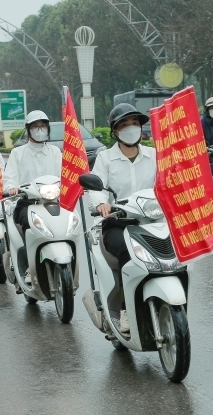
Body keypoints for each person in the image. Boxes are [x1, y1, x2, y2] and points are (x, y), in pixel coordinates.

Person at [89, 103, 157, 333]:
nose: (131, 128)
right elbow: (95, 186)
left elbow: (168, 184)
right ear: (115, 131)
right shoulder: (105, 158)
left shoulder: (154, 156)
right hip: (118, 224)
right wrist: (101, 203)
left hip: (152, 222)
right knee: (131, 254)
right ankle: (127, 309)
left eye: (135, 124)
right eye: (124, 125)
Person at [3, 111, 62, 284]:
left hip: (53, 201)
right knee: (31, 227)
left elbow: (64, 176)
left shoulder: (55, 152)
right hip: (28, 203)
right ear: (28, 130)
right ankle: (30, 266)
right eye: (35, 126)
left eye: (43, 126)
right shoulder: (18, 153)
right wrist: (11, 188)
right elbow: (9, 177)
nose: (40, 130)